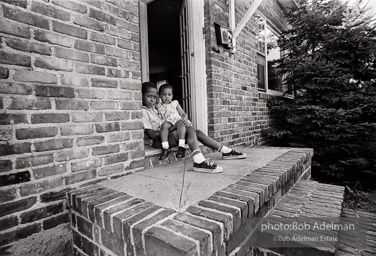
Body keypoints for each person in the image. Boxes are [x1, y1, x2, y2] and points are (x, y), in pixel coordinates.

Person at [142, 82, 247, 174]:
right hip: (160, 140)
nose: (153, 99)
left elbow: (176, 114)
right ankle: (200, 160)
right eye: (149, 96)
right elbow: (151, 134)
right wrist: (174, 127)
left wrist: (179, 122)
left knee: (196, 131)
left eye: (155, 97)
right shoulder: (144, 112)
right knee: (190, 130)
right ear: (141, 96)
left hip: (170, 134)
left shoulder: (156, 108)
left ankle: (224, 151)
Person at [157, 83, 192, 160]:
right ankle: (165, 148)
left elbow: (183, 113)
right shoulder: (158, 106)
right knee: (164, 125)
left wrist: (185, 118)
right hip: (168, 122)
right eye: (164, 94)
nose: (167, 97)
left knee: (180, 122)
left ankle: (181, 146)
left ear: (172, 96)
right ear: (159, 95)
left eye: (169, 95)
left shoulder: (175, 103)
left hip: (176, 121)